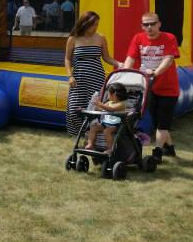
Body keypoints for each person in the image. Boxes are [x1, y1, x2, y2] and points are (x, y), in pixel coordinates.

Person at [122, 12, 180, 158]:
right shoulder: (138, 38)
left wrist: (155, 72)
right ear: (142, 26)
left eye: (152, 24)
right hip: (148, 87)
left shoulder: (169, 38)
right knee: (157, 122)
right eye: (146, 24)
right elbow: (130, 58)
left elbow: (168, 59)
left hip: (168, 88)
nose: (149, 27)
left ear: (159, 24)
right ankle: (169, 148)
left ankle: (157, 153)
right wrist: (125, 73)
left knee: (162, 123)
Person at [64, 11, 120, 137]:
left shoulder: (101, 38)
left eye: (97, 24)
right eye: (93, 24)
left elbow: (107, 58)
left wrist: (119, 64)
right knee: (74, 110)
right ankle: (84, 134)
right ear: (84, 23)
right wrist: (69, 76)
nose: (96, 27)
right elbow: (67, 59)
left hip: (96, 78)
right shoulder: (73, 38)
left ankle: (91, 138)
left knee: (95, 110)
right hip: (78, 79)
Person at [84, 83, 128, 150]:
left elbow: (111, 109)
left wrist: (100, 104)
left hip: (115, 125)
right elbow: (101, 109)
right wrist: (94, 105)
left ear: (114, 95)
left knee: (106, 131)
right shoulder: (109, 102)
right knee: (93, 127)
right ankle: (90, 144)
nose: (107, 95)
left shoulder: (121, 104)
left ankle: (110, 149)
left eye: (108, 93)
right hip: (105, 123)